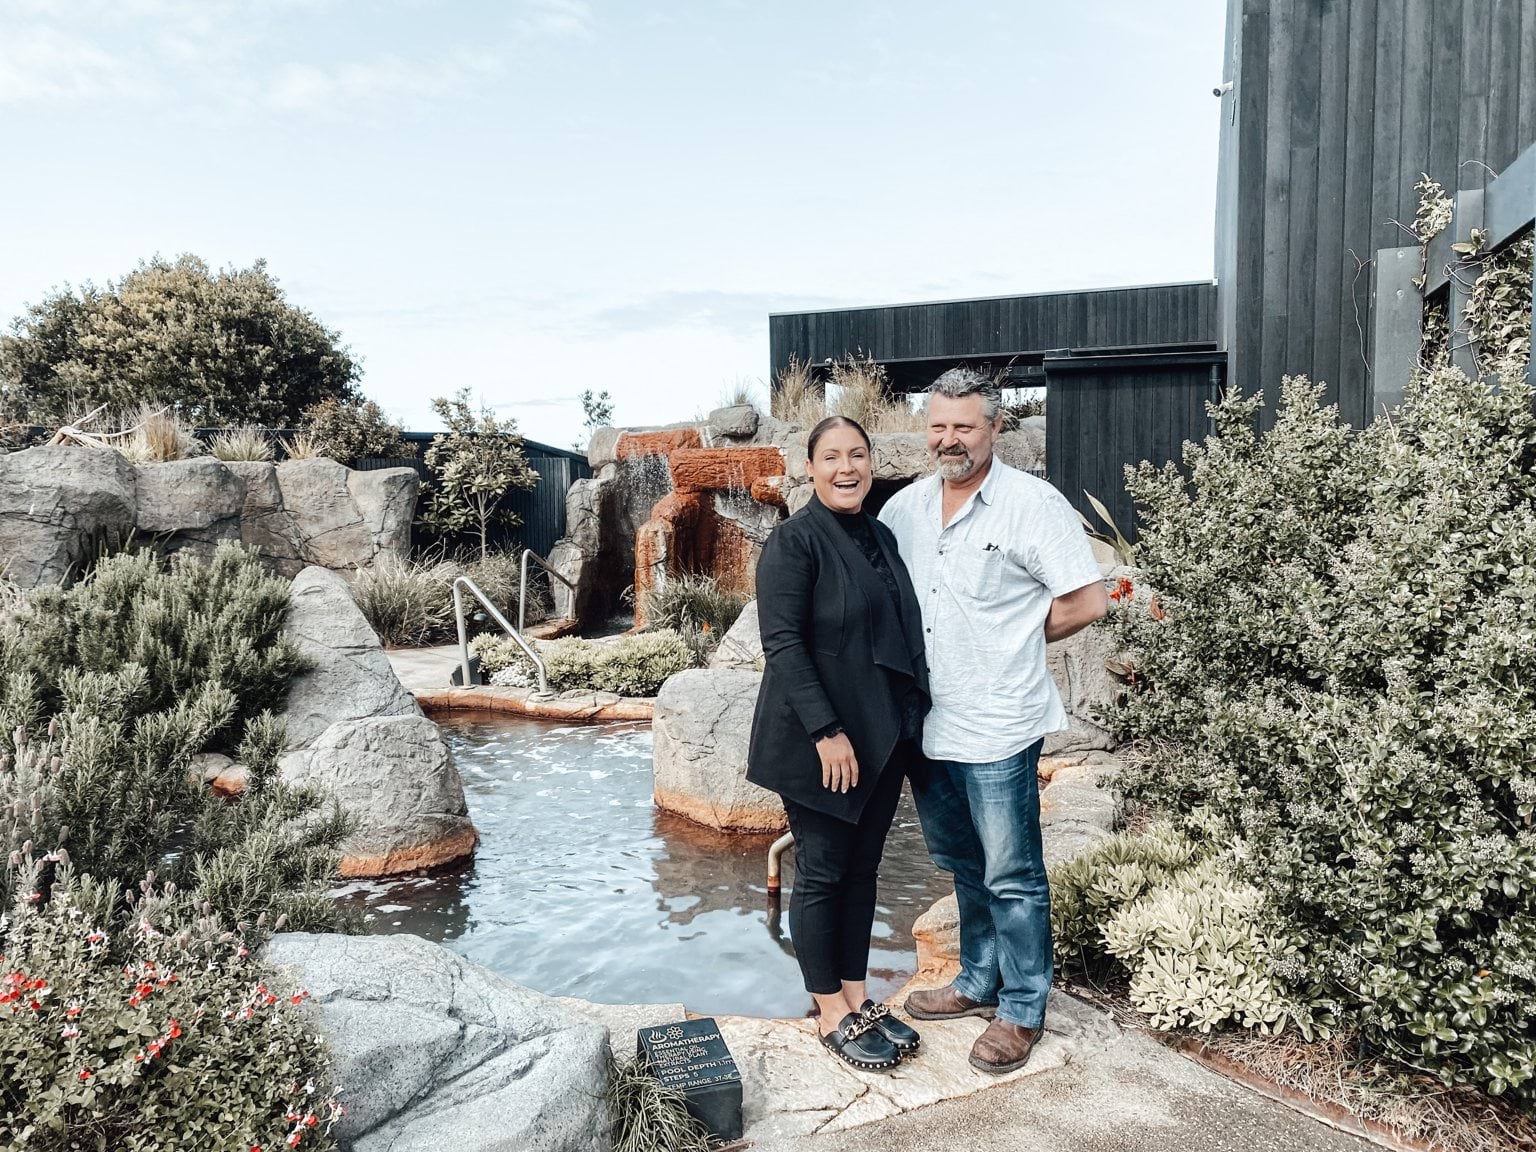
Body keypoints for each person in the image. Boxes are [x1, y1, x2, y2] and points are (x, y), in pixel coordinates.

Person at [878, 367, 1108, 1075]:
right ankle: (978, 979)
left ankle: (1023, 1008)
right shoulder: (905, 510)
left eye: (965, 426)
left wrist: (1016, 638)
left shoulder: (1031, 505)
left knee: (1013, 873)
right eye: (939, 425)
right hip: (927, 725)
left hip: (999, 722)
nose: (950, 439)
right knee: (962, 863)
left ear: (994, 428)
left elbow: (1088, 600)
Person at [747, 414, 930, 1072]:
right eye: (831, 457)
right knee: (823, 874)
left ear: (870, 464)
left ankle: (857, 995)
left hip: (879, 738)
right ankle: (829, 1010)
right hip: (820, 744)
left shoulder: (880, 536)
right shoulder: (794, 542)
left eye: (857, 455)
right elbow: (783, 645)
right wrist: (827, 731)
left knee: (862, 872)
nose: (846, 468)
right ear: (811, 468)